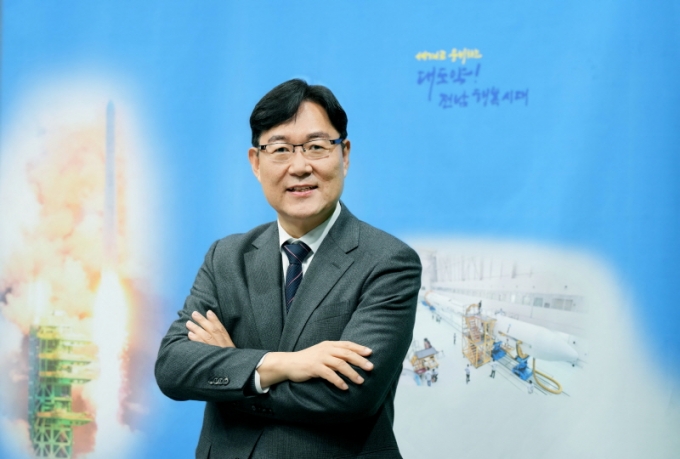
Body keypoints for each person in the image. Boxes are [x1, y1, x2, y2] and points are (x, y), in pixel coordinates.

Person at [154, 79, 422, 459]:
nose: (299, 167)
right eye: (280, 149)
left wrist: (238, 374)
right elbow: (173, 367)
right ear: (255, 162)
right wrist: (286, 364)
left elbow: (350, 396)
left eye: (316, 147)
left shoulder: (388, 261)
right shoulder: (226, 257)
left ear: (344, 155)